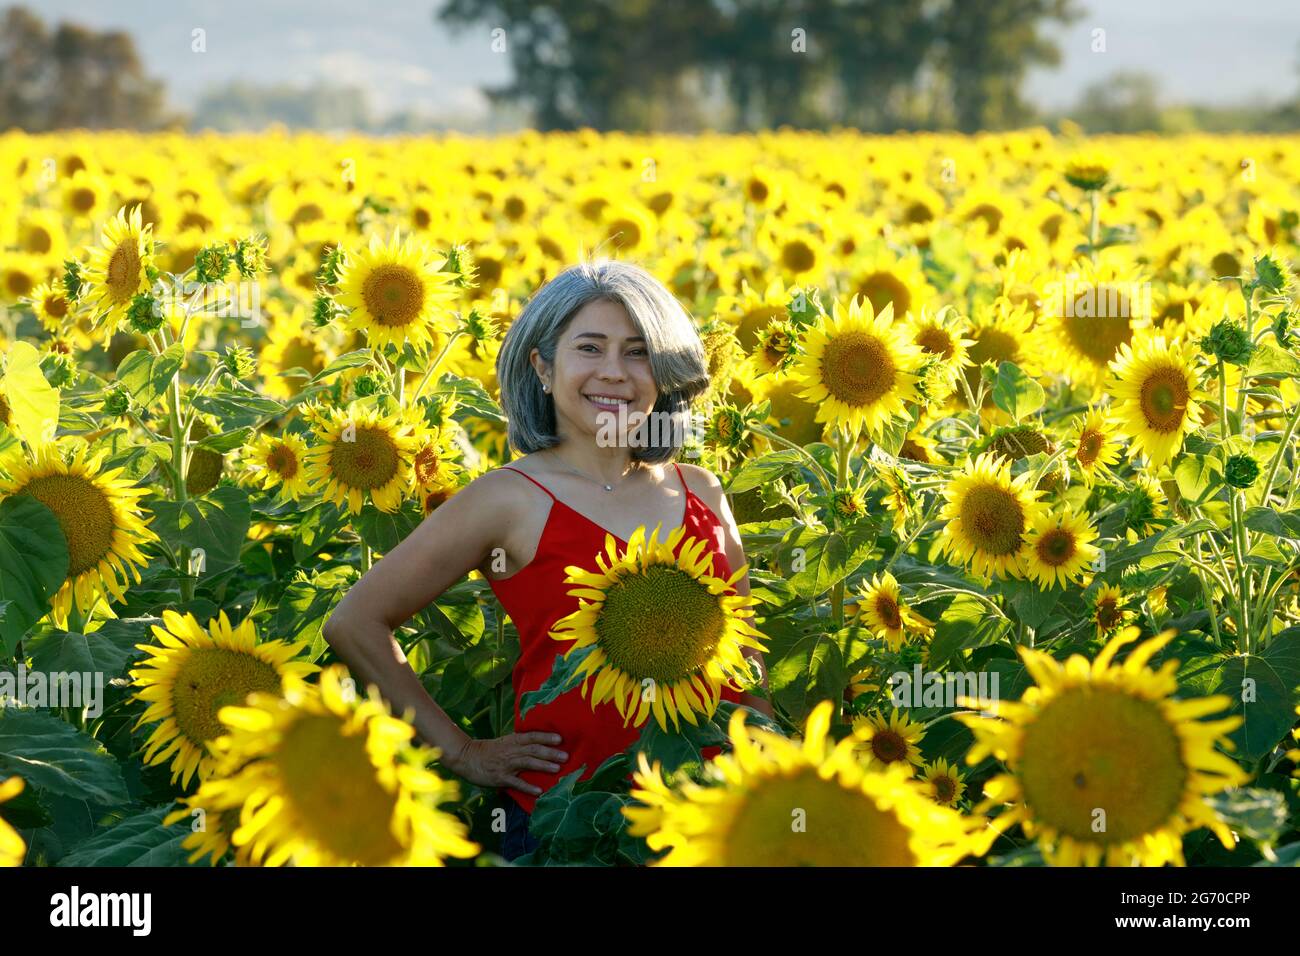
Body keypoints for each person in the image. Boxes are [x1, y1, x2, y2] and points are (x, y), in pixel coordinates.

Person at [322, 258, 773, 864]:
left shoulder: (701, 490)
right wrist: (461, 752)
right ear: (542, 366)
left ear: (663, 372)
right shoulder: (507, 498)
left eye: (638, 352)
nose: (614, 372)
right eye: (590, 347)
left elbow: (744, 656)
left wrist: (765, 751)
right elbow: (355, 622)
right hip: (566, 823)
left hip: (711, 817)